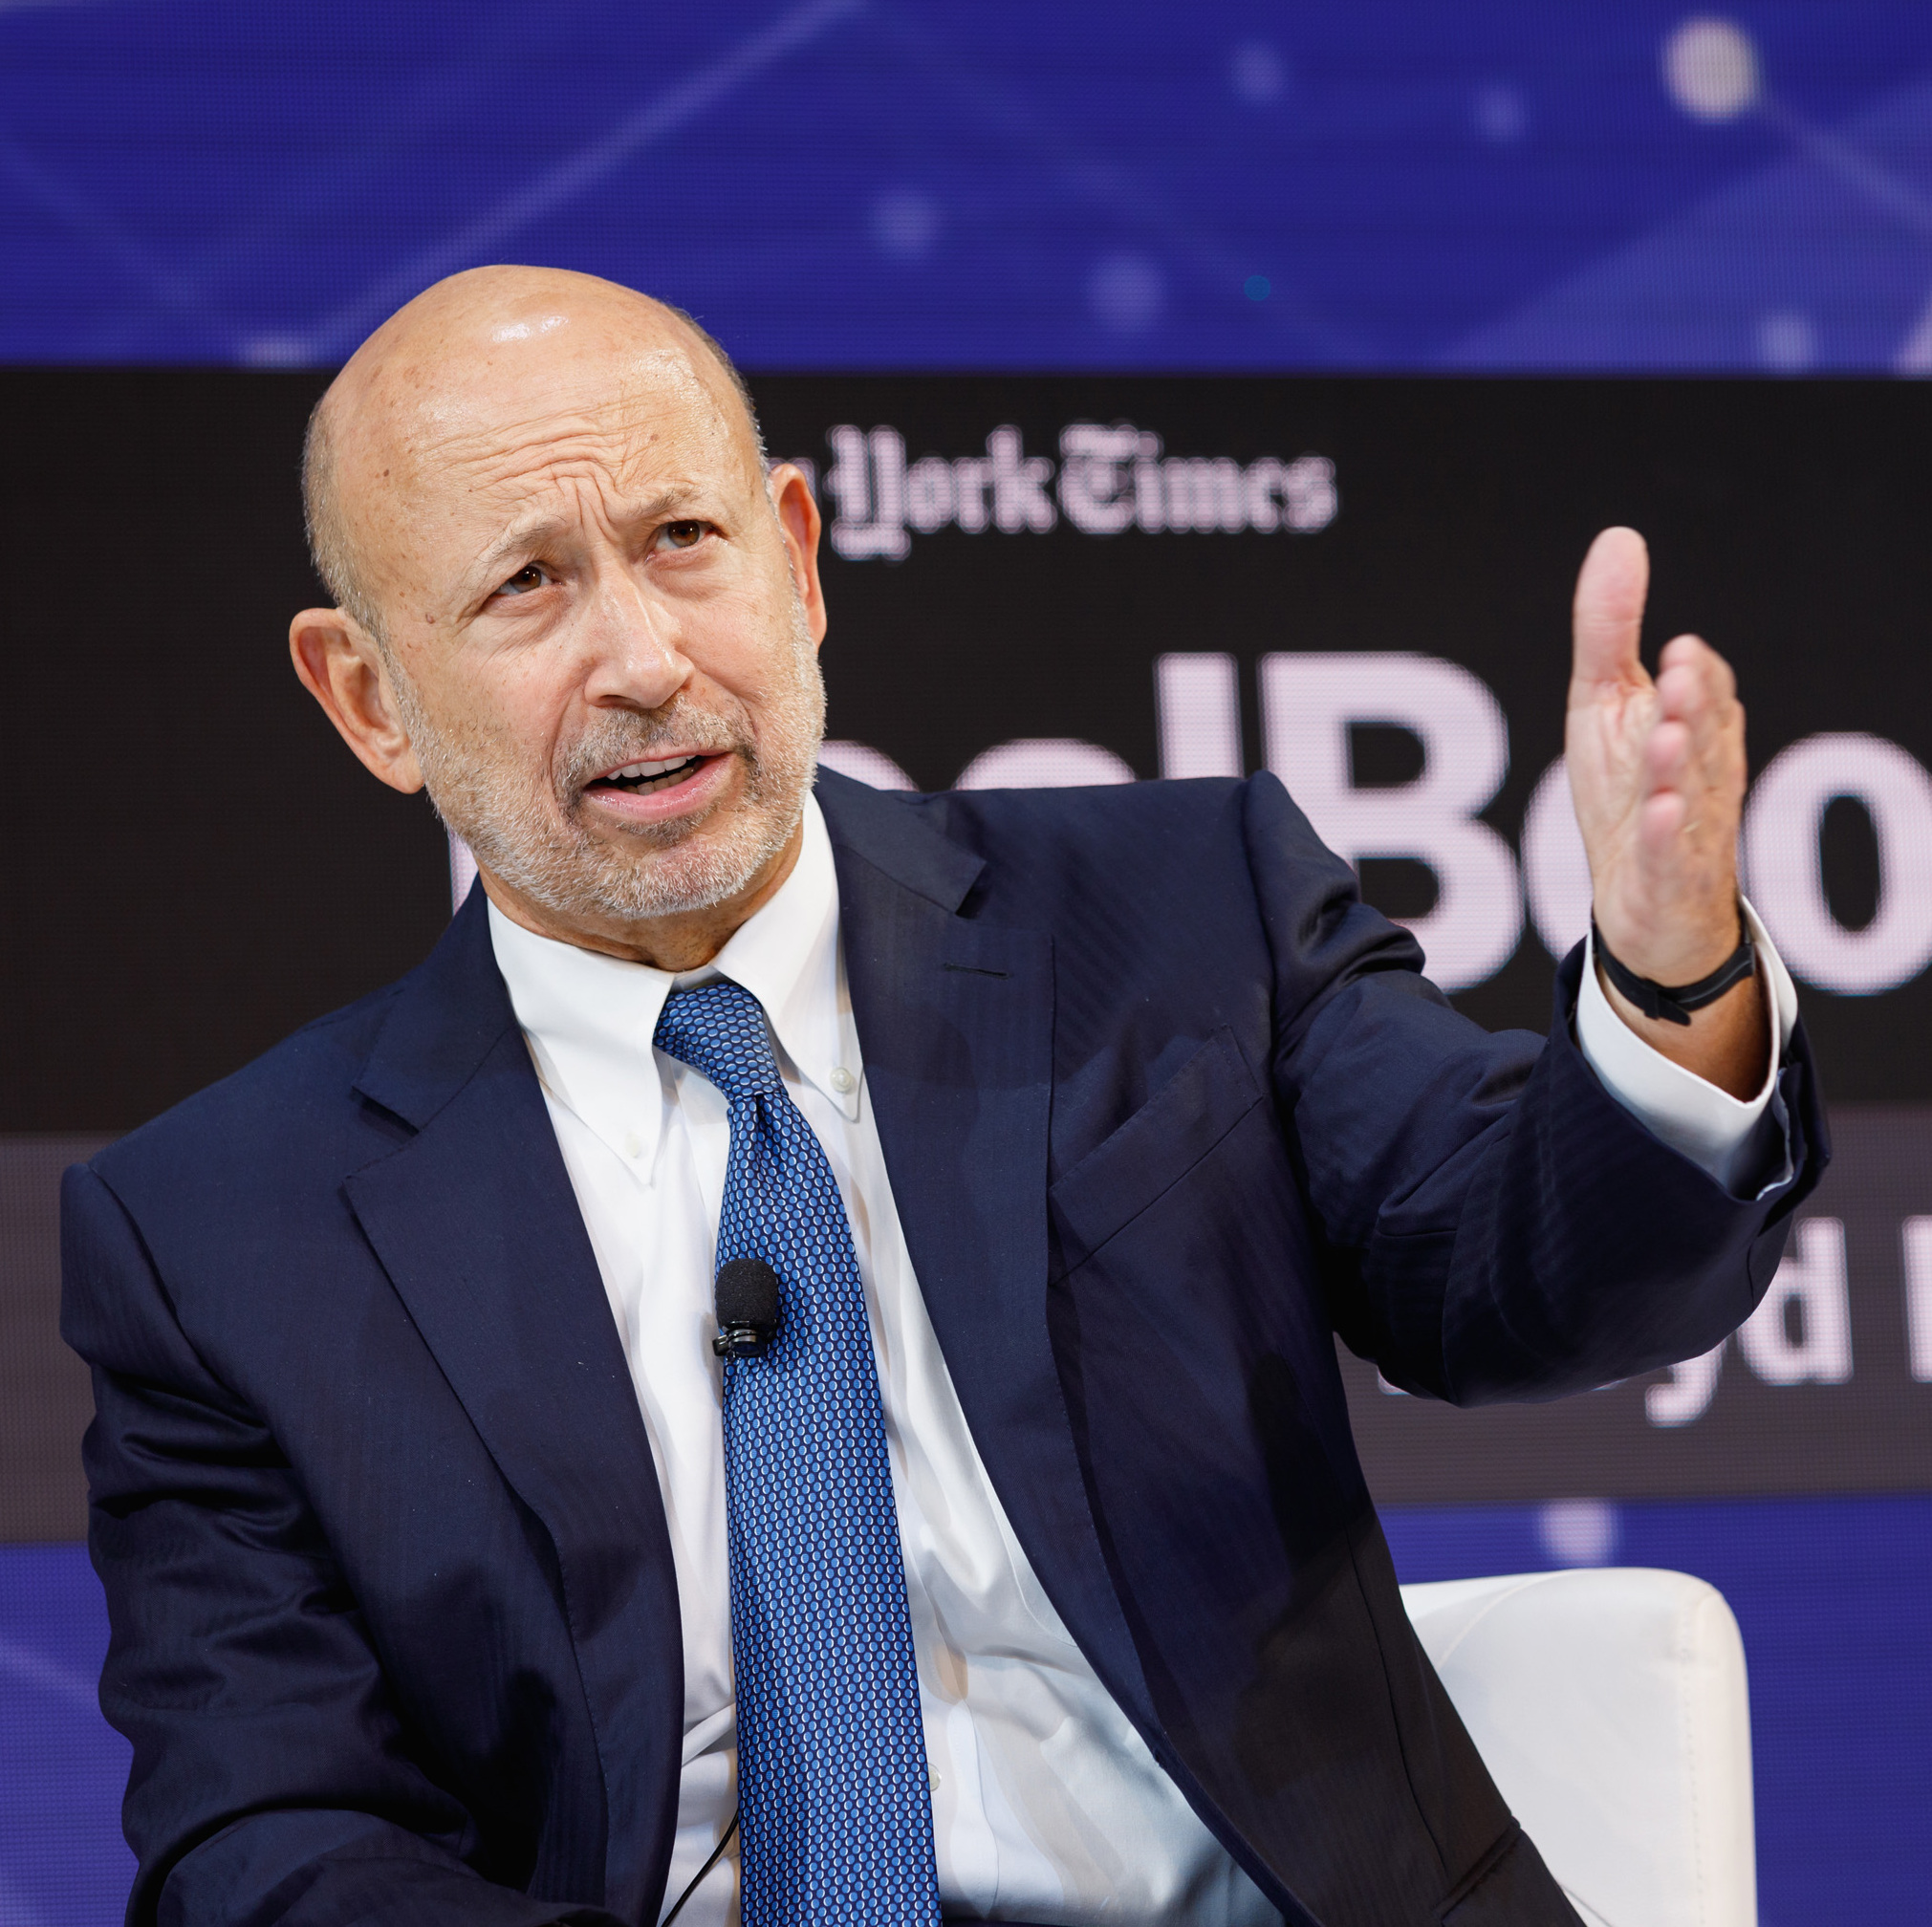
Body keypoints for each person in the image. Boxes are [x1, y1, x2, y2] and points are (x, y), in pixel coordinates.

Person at [61, 266, 1821, 1927]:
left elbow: (1526, 1274)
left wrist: (1667, 982)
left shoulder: (1174, 912)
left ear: (799, 561)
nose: (646, 660)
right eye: (527, 586)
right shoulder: (223, 1237)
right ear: (368, 697)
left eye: (684, 541)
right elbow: (265, 1840)